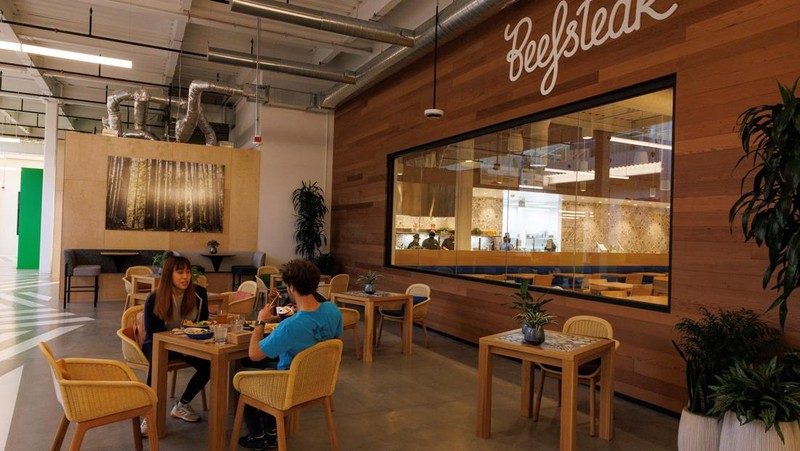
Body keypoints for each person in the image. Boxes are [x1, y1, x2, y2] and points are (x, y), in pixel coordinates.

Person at [238, 259, 343, 450]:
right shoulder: (332, 310)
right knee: (265, 367)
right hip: (319, 382)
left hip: (291, 385)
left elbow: (254, 354)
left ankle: (257, 435)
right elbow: (334, 338)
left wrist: (260, 322)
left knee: (244, 372)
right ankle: (271, 433)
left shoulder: (290, 326)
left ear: (292, 287)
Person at [141, 255, 210, 436]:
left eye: (187, 272)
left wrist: (189, 340)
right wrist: (179, 341)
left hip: (188, 342)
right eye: (180, 272)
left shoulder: (200, 294)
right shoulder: (154, 299)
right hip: (159, 343)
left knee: (210, 365)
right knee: (157, 363)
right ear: (169, 275)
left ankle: (182, 404)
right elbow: (153, 333)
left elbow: (202, 324)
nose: (185, 277)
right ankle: (150, 416)